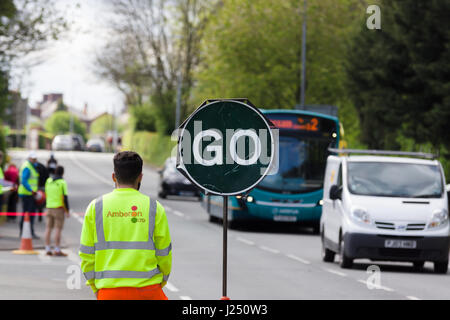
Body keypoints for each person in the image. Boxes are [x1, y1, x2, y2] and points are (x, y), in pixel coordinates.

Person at [79, 151, 172, 300]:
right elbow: (164, 254)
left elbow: (86, 255)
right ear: (140, 177)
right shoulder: (154, 208)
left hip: (109, 292)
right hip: (148, 291)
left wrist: (95, 287)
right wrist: (162, 280)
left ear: (114, 177)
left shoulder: (96, 207)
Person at [44, 166, 70, 256]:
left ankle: (47, 248)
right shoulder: (62, 182)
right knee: (58, 229)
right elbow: (65, 197)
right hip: (58, 208)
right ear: (62, 173)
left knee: (48, 228)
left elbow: (46, 193)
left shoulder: (48, 181)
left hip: (49, 207)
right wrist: (67, 210)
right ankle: (57, 249)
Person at [18, 151, 40, 239]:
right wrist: (31, 190)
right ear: (30, 158)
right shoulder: (27, 167)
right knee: (27, 214)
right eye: (33, 159)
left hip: (30, 194)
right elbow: (23, 181)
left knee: (29, 213)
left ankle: (28, 232)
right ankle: (26, 232)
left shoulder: (31, 166)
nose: (35, 160)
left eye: (35, 159)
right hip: (27, 194)